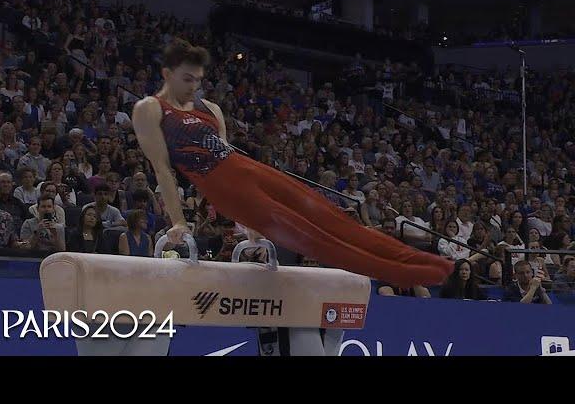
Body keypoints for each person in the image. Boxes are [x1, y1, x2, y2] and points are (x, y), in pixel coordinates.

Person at [132, 39, 453, 287]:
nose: (193, 87)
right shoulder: (150, 110)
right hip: (224, 187)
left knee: (331, 217)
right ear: (167, 75)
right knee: (316, 240)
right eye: (187, 79)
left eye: (198, 80)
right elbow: (163, 170)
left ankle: (427, 261)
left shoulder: (210, 108)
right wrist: (178, 222)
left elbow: (227, 152)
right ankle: (405, 274)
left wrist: (251, 227)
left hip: (248, 169)